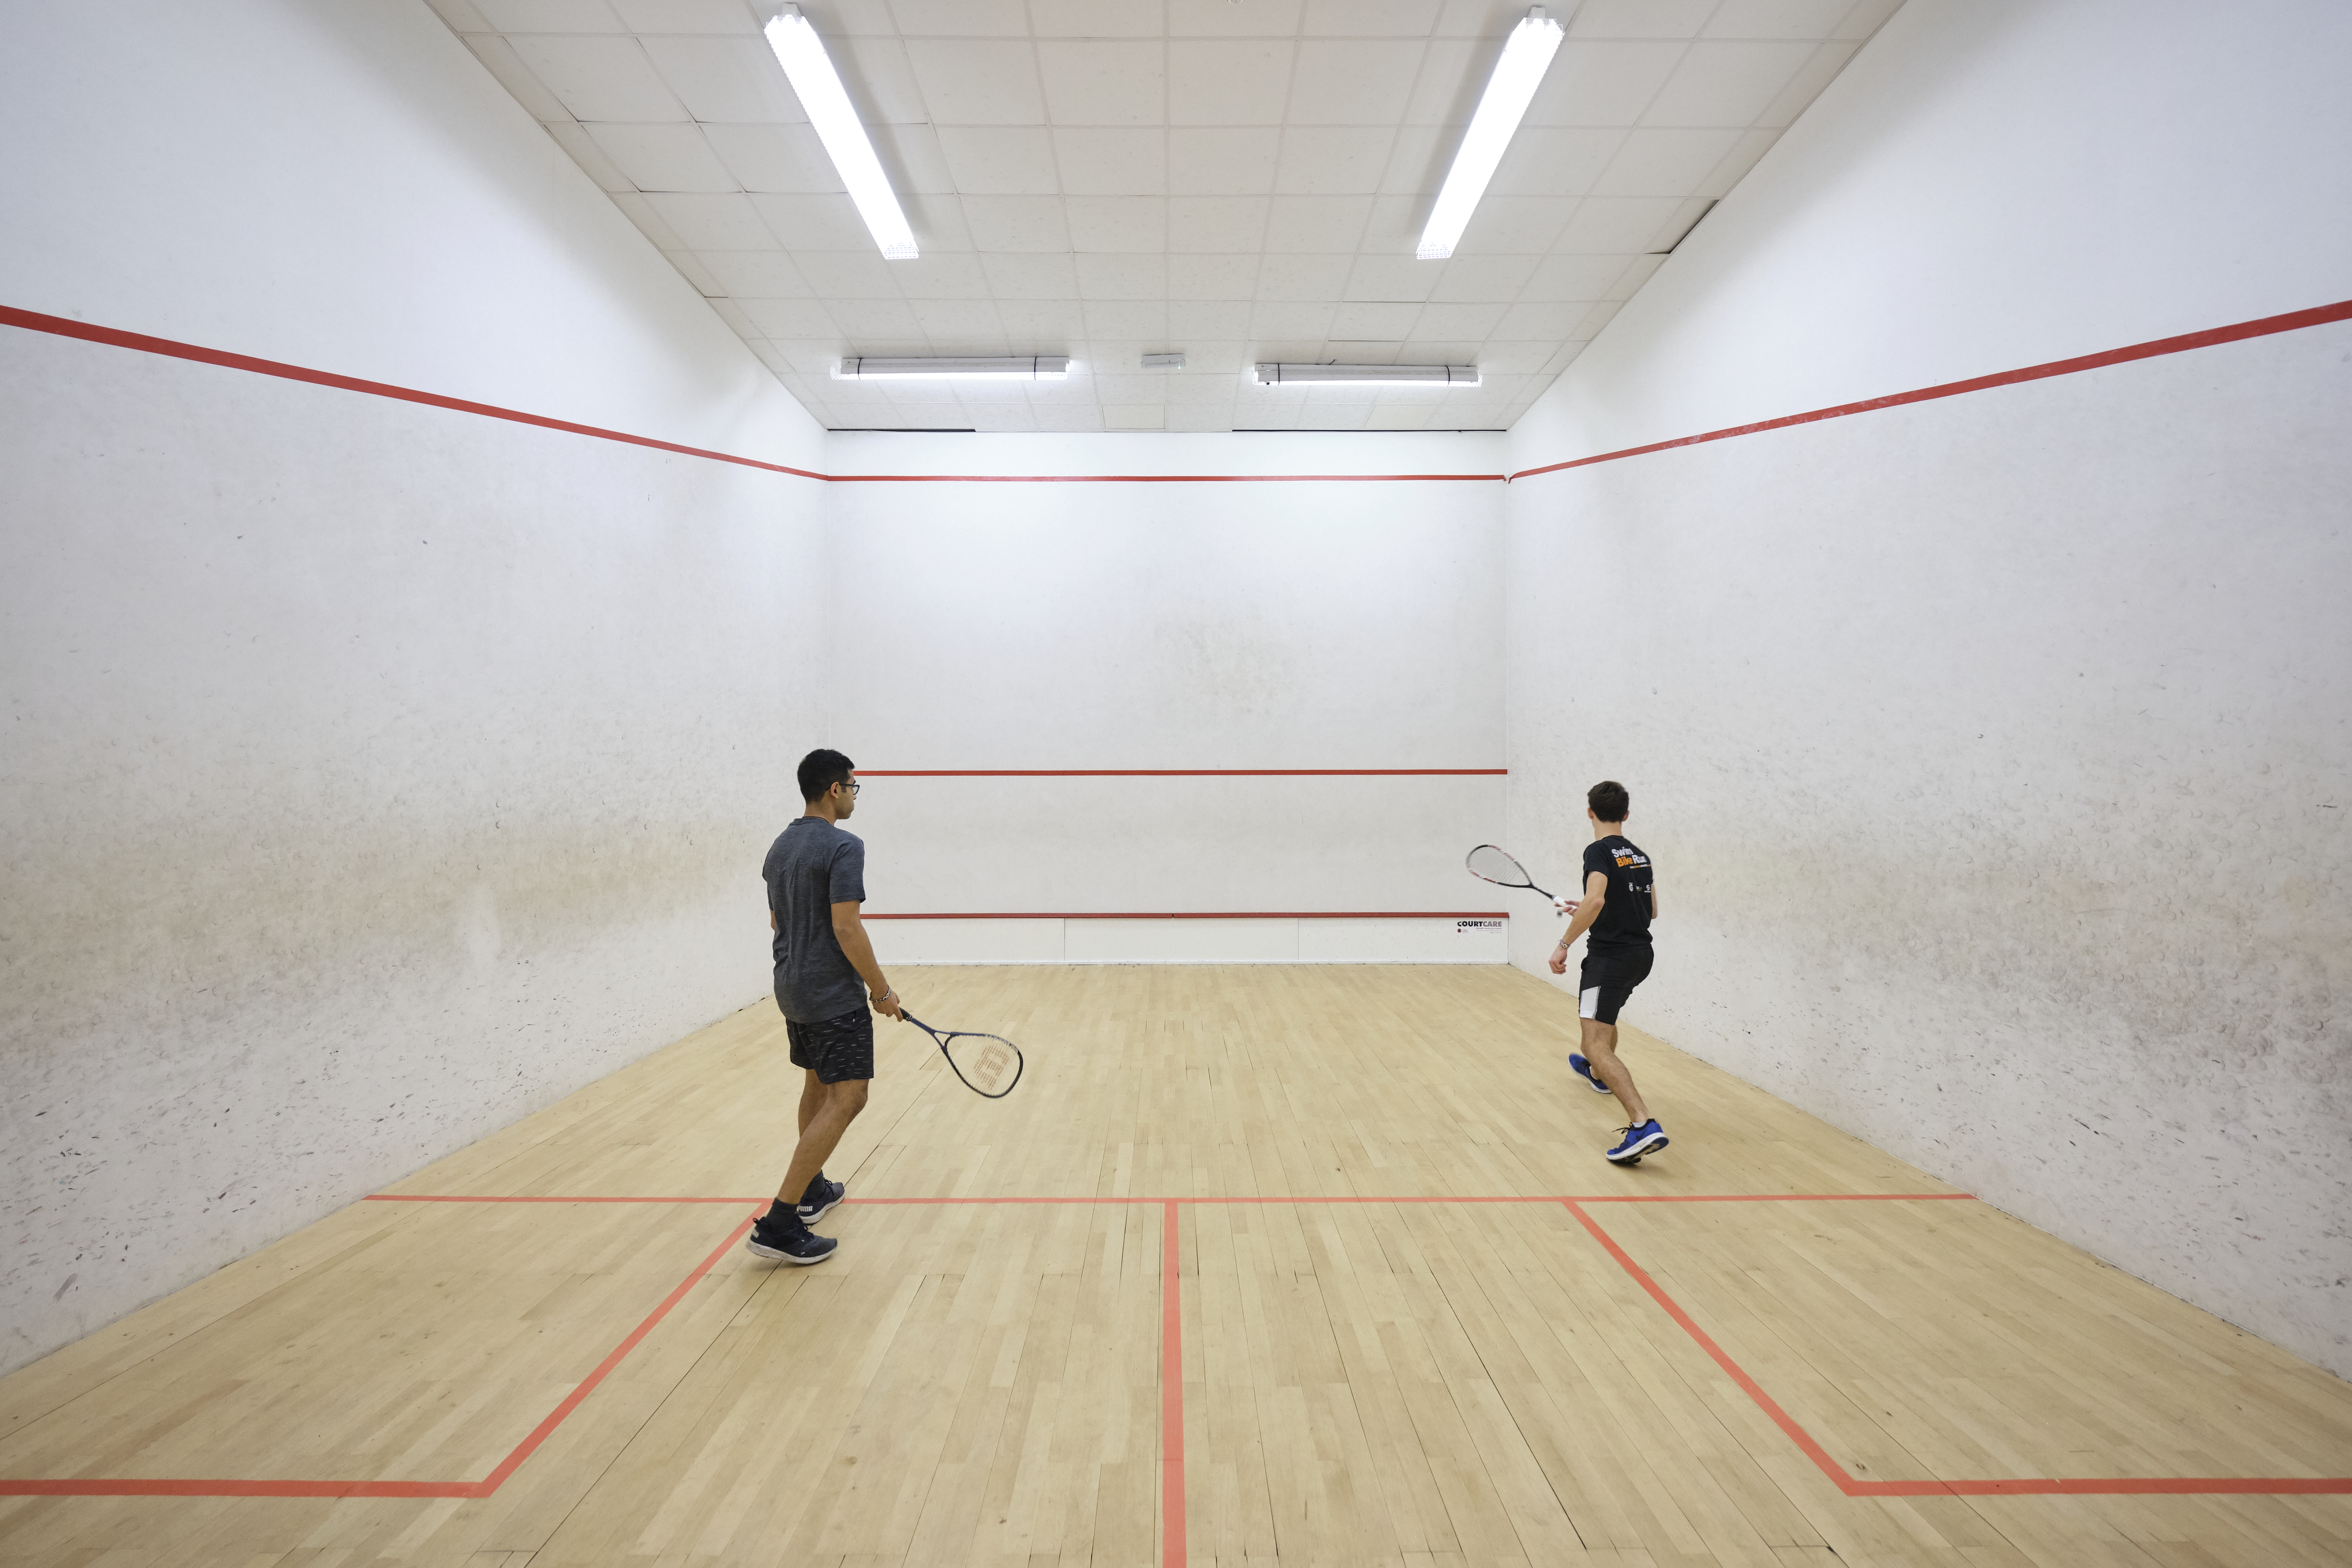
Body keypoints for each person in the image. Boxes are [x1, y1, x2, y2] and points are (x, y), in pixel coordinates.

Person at [746, 748, 905, 1264]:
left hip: (791, 987)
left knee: (816, 1081)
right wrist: (880, 991)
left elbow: (777, 923)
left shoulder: (779, 848)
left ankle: (812, 1188)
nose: (855, 794)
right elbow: (845, 926)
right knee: (849, 1097)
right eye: (852, 786)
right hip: (830, 994)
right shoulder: (843, 846)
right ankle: (780, 1221)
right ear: (833, 790)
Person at [1547, 780, 1667, 1163]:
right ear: (1626, 815)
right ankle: (1600, 1076)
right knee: (1605, 1020)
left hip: (1608, 960)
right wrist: (1581, 907)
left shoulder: (1597, 851)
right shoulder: (1639, 855)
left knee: (1592, 1043)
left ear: (1590, 813)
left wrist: (1563, 943)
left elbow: (1597, 898)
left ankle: (1642, 1123)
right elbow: (1649, 911)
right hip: (1640, 957)